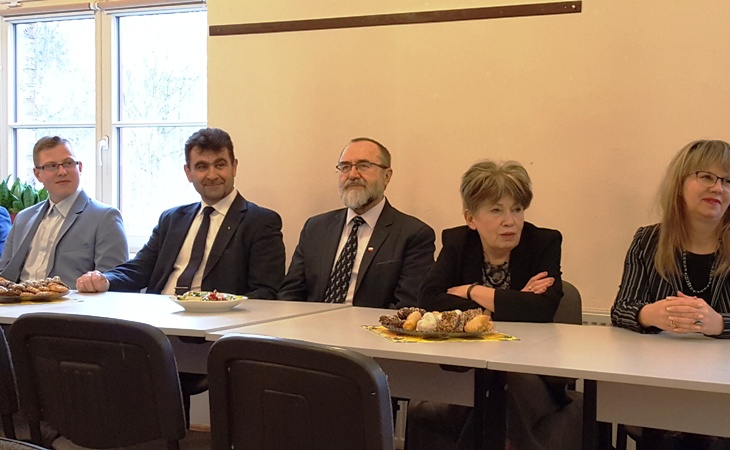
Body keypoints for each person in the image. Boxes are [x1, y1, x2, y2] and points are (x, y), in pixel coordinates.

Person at [611, 139, 730, 448]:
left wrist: (719, 323)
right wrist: (650, 314)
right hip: (665, 383)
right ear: (680, 184)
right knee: (664, 424)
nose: (718, 188)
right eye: (706, 176)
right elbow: (621, 309)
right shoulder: (647, 240)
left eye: (728, 181)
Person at [409, 160, 571, 450]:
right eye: (496, 210)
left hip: (529, 371)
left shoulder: (543, 242)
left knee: (501, 388)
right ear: (471, 218)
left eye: (517, 209)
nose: (510, 221)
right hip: (468, 367)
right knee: (489, 390)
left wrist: (473, 291)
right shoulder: (457, 242)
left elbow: (541, 310)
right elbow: (429, 298)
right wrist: (513, 301)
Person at [76, 127, 285, 299]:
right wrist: (105, 279)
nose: (212, 175)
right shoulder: (172, 219)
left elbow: (265, 292)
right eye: (202, 167)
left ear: (234, 167)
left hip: (216, 324)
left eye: (220, 165)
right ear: (188, 172)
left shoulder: (260, 222)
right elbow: (140, 268)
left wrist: (221, 307)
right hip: (159, 319)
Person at [278, 137, 435, 308]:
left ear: (387, 176)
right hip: (311, 323)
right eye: (345, 167)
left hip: (373, 325)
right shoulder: (315, 228)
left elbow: (407, 307)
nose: (352, 175)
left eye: (363, 166)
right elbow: (290, 294)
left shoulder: (413, 234)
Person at [0, 136, 127, 288]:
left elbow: (115, 282)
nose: (62, 172)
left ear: (80, 167)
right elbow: (4, 274)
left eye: (68, 163)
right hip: (16, 300)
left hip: (69, 301)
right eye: (51, 166)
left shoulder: (105, 218)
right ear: (37, 174)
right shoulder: (23, 218)